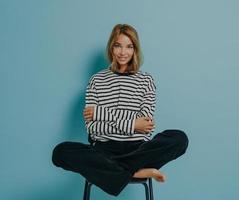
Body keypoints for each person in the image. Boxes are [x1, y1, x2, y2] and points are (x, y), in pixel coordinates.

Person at [52, 24, 189, 196]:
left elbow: (145, 128)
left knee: (179, 138)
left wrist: (101, 113)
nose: (123, 52)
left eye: (129, 46)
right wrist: (132, 123)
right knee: (60, 152)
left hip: (138, 150)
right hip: (103, 150)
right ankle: (134, 172)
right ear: (111, 47)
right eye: (118, 45)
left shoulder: (146, 80)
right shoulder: (97, 80)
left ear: (135, 49)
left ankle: (117, 171)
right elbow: (93, 129)